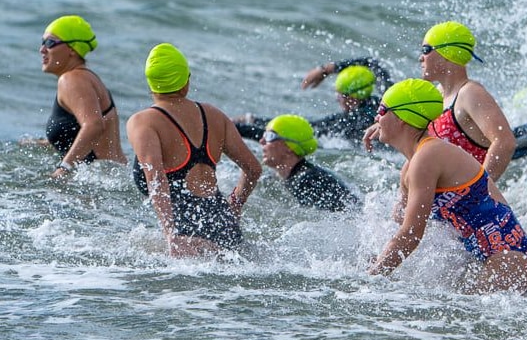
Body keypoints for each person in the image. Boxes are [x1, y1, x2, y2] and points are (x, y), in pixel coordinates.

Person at [368, 78, 527, 293]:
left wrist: (370, 280)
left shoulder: (428, 157)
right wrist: (373, 260)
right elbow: (397, 226)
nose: (376, 117)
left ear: (402, 118)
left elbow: (411, 233)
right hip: (488, 262)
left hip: (509, 263)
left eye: (382, 110)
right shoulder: (412, 166)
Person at [128, 43, 262, 257]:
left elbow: (156, 179)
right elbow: (253, 168)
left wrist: (171, 234)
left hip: (186, 230)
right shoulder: (214, 115)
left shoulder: (143, 122)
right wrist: (235, 204)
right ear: (185, 83)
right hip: (223, 223)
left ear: (152, 84)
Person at [420, 21, 515, 182]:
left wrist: (478, 189)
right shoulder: (437, 94)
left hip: (467, 201)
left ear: (447, 54)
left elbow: (505, 142)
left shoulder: (470, 93)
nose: (420, 57)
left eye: (426, 50)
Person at [40, 15, 126, 178]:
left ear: (72, 49)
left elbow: (94, 125)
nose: (42, 49)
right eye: (42, 42)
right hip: (111, 177)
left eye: (50, 43)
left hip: (101, 181)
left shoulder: (72, 80)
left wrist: (63, 169)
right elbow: (80, 129)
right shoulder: (86, 78)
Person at [235, 57, 392, 145]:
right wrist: (328, 69)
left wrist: (246, 124)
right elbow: (374, 63)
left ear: (353, 97)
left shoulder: (351, 121)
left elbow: (307, 129)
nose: (337, 99)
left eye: (340, 95)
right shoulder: (387, 103)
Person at [260, 114, 360, 212]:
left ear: (289, 146)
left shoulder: (309, 180)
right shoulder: (282, 177)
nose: (261, 141)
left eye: (269, 136)